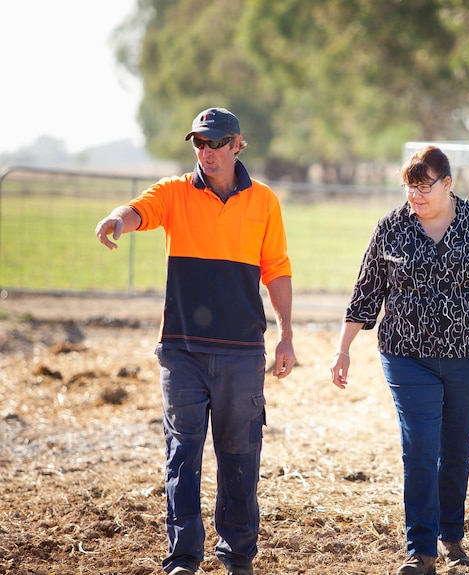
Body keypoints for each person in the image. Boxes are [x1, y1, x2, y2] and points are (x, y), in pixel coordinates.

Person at [94, 107, 296, 575]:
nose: (206, 152)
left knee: (240, 455)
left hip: (243, 352)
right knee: (182, 454)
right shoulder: (174, 193)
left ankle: (238, 555)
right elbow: (139, 210)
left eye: (216, 143)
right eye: (199, 143)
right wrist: (117, 219)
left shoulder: (264, 201)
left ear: (237, 145)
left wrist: (286, 335)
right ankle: (183, 558)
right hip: (181, 350)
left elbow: (278, 269)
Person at [329, 145, 469, 575]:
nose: (414, 196)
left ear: (447, 184)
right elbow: (366, 295)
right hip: (405, 356)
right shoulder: (391, 229)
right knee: (418, 446)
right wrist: (343, 349)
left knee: (455, 449)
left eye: (423, 186)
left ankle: (450, 535)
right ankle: (420, 550)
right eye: (409, 187)